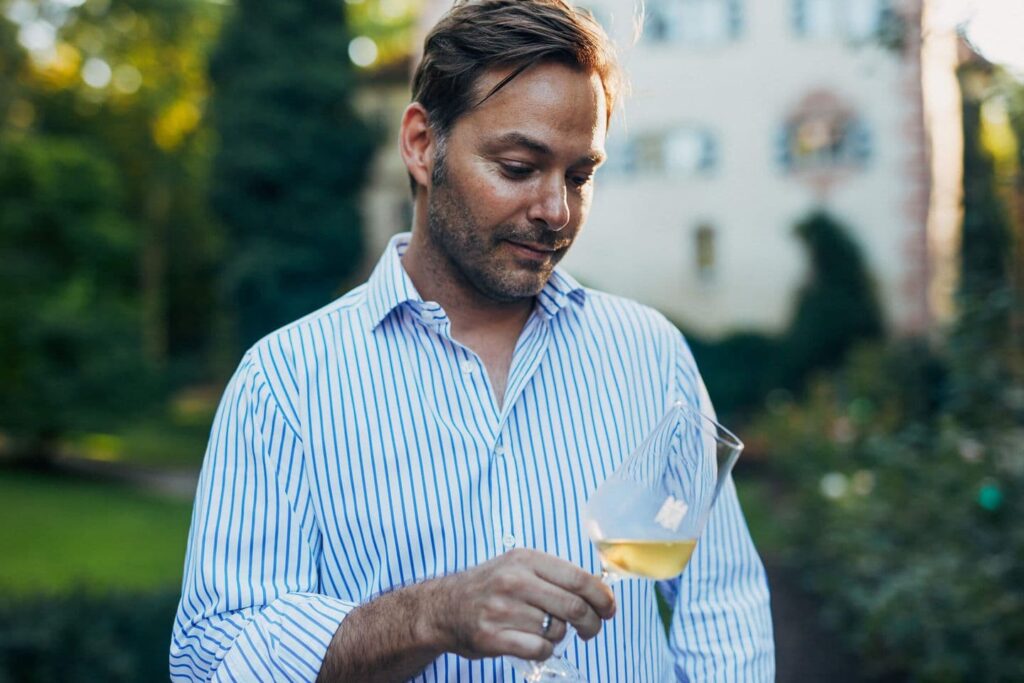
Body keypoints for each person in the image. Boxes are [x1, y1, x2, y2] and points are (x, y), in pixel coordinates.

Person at [170, 0, 775, 680]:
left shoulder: (650, 353)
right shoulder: (284, 383)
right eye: (519, 167)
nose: (556, 210)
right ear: (423, 145)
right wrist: (432, 613)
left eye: (580, 177)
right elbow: (213, 659)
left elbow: (721, 603)